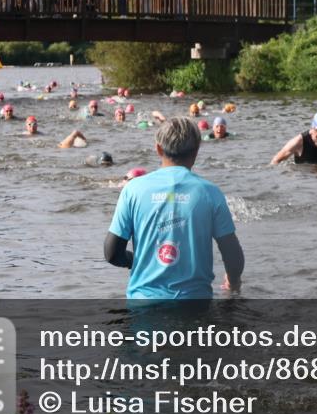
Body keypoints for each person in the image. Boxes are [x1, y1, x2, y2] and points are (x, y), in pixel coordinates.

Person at [104, 117, 244, 299]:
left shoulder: (133, 190)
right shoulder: (210, 193)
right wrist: (233, 284)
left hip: (144, 306)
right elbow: (233, 255)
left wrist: (133, 260)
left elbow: (112, 253)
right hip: (195, 306)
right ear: (197, 151)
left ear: (158, 149)